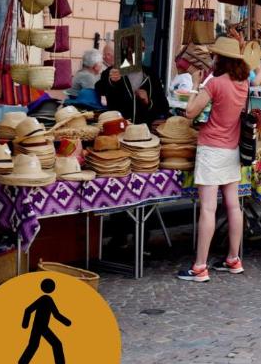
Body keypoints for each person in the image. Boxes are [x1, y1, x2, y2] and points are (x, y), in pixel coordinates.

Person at [179, 36, 252, 282]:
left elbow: (190, 112)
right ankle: (234, 258)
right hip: (232, 148)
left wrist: (195, 86)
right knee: (233, 205)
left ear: (221, 58)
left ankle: (200, 266)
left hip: (211, 148)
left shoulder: (215, 84)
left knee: (208, 208)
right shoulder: (243, 84)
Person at [94, 43, 169, 124]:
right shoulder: (111, 72)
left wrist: (148, 101)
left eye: (142, 49)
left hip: (144, 129)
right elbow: (100, 89)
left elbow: (163, 106)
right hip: (118, 128)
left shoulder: (151, 74)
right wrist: (113, 82)